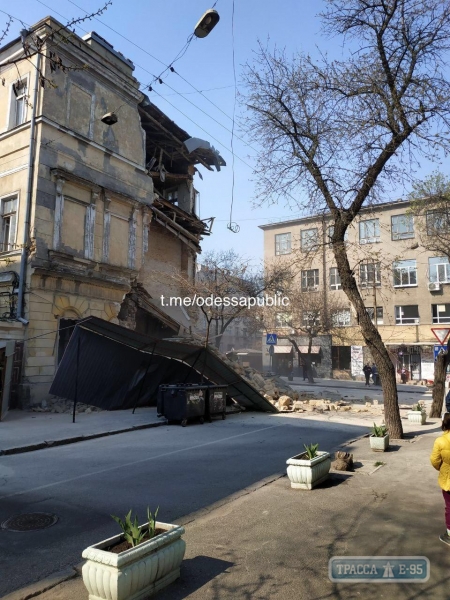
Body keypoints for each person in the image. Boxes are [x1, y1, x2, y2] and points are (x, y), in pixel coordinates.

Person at [430, 413, 450, 546]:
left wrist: (442, 469)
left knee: (449, 507)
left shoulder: (440, 441)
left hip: (448, 480)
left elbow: (435, 460)